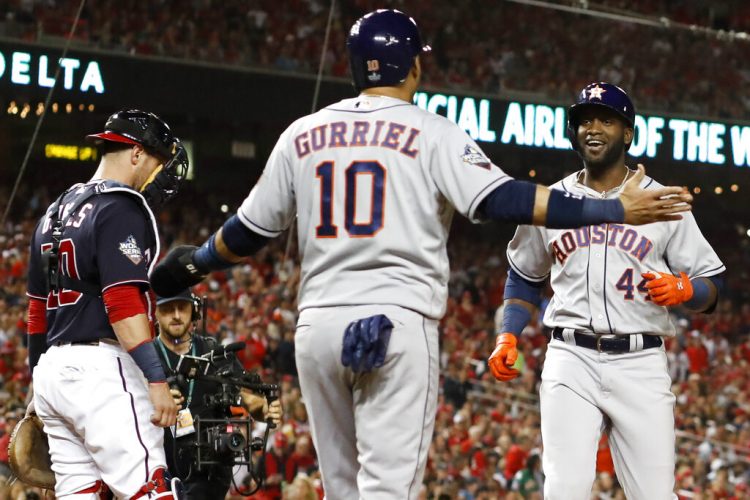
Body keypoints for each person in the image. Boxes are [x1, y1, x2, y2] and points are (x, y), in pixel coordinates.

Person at [149, 11, 692, 499]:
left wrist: (194, 262)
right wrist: (612, 210)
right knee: (389, 489)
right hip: (395, 323)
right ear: (410, 68)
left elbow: (247, 232)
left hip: (316, 327)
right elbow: (502, 199)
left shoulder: (303, 133)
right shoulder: (433, 132)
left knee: (341, 487)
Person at [488, 82, 725, 499]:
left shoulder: (661, 201)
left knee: (654, 494)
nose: (593, 127)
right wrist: (508, 333)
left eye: (606, 119)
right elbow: (523, 275)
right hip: (570, 357)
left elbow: (714, 283)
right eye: (584, 120)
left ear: (628, 133)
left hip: (640, 361)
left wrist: (687, 288)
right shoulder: (552, 201)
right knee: (564, 490)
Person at [25, 110, 189, 498]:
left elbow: (36, 312)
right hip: (101, 372)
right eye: (157, 161)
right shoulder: (120, 206)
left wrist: (37, 381)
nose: (159, 172)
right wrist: (156, 379)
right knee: (151, 490)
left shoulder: (53, 212)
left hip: (53, 374)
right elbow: (121, 302)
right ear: (135, 152)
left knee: (81, 494)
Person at [152, 288, 282, 500]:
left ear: (193, 312)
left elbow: (245, 396)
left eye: (182, 308)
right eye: (167, 309)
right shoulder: (145, 355)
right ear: (155, 313)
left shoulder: (214, 352)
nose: (176, 315)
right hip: (158, 464)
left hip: (209, 471)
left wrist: (264, 409)